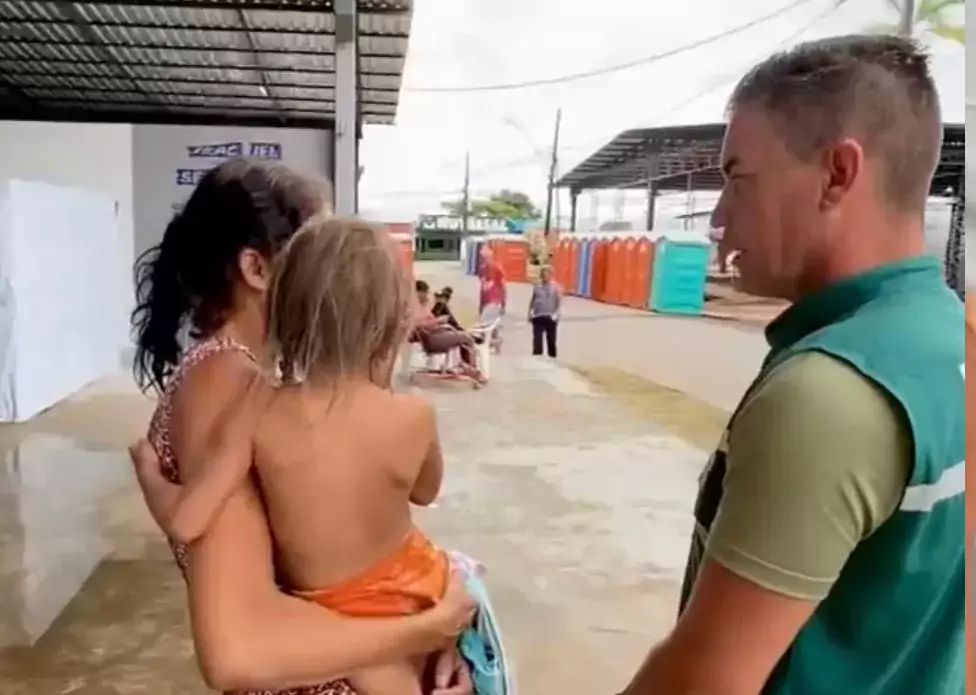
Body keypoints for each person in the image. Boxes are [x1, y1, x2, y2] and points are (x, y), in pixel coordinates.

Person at [621, 36, 964, 695]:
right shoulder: (949, 339)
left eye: (737, 177)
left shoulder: (828, 392)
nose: (719, 217)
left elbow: (703, 684)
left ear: (837, 174)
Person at [128, 159, 475, 695]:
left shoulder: (266, 390)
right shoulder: (231, 380)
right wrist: (428, 625)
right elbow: (236, 653)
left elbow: (196, 518)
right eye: (316, 247)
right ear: (257, 268)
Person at [412, 280, 485, 384]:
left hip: (434, 334)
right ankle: (471, 369)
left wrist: (439, 324)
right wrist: (438, 321)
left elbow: (425, 323)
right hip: (431, 339)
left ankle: (468, 367)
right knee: (466, 338)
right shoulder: (414, 308)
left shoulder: (420, 306)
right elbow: (418, 325)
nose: (427, 296)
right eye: (425, 293)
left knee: (462, 336)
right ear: (418, 292)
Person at [527, 266, 560, 359]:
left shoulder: (555, 288)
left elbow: (558, 302)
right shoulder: (537, 287)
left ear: (551, 275)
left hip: (550, 317)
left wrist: (556, 315)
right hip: (538, 316)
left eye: (547, 275)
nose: (545, 277)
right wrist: (529, 313)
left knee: (551, 341)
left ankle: (552, 359)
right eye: (543, 275)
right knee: (537, 341)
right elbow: (533, 300)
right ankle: (537, 360)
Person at [477, 249, 506, 353]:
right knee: (492, 324)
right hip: (486, 301)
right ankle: (497, 343)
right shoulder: (481, 270)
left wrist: (503, 303)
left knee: (486, 323)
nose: (484, 260)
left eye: (486, 257)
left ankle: (487, 345)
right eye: (482, 258)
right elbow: (482, 288)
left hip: (495, 300)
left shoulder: (497, 269)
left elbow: (503, 287)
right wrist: (481, 304)